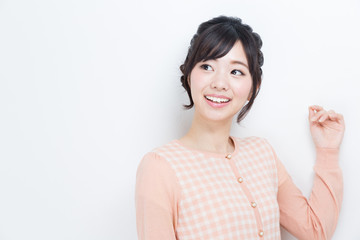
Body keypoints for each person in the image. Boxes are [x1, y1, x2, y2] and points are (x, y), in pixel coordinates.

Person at [135, 16, 345, 240]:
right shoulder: (160, 168)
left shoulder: (262, 153)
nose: (219, 83)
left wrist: (327, 152)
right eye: (207, 66)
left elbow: (315, 231)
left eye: (236, 72)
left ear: (254, 87)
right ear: (188, 75)